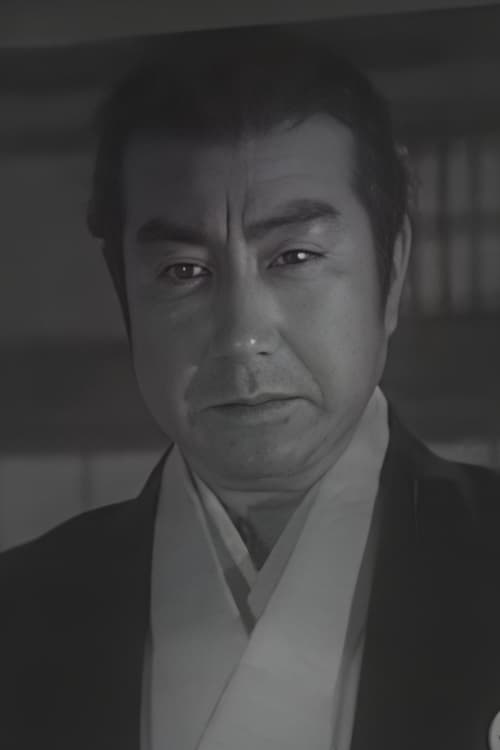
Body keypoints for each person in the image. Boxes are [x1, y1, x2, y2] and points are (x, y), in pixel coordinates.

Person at [1, 26, 499, 750]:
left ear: (391, 272)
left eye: (294, 256)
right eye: (183, 271)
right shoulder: (19, 610)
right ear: (124, 295)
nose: (241, 335)